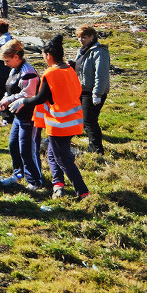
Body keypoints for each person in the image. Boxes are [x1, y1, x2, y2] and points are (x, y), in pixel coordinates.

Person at [11, 35, 89, 200]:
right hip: (72, 120)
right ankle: (58, 184)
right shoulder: (69, 69)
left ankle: (82, 191)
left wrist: (23, 101)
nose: (44, 58)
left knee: (62, 158)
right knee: (53, 155)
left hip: (59, 123)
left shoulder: (50, 73)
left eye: (43, 55)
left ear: (49, 55)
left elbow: (40, 98)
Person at [0, 39, 43, 190]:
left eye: (7, 60)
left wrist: (8, 99)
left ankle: (35, 180)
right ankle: (18, 174)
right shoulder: (14, 69)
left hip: (30, 116)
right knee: (13, 145)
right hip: (18, 115)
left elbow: (28, 93)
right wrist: (4, 98)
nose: (5, 64)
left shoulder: (28, 71)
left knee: (27, 148)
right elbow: (10, 88)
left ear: (17, 56)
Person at [72, 25, 110, 155]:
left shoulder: (99, 52)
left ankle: (97, 149)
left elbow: (101, 74)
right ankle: (91, 145)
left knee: (90, 120)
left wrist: (97, 93)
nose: (81, 40)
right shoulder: (83, 51)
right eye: (79, 37)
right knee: (84, 118)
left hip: (92, 92)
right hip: (82, 90)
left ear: (92, 37)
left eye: (84, 37)